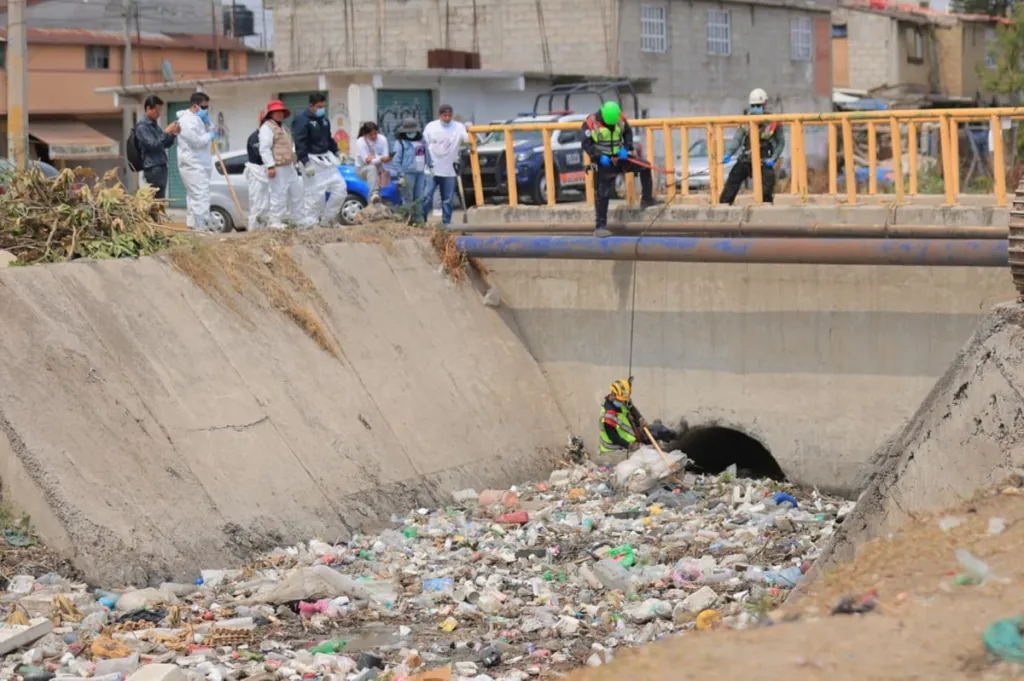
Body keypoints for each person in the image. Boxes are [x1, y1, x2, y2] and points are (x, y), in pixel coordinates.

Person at [581, 100, 658, 238]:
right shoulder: (590, 123)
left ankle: (647, 199)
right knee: (602, 193)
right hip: (602, 162)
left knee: (645, 166)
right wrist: (599, 157)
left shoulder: (620, 119)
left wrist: (626, 148)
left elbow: (627, 134)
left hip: (620, 157)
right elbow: (586, 144)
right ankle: (600, 227)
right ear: (603, 117)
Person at [719, 88, 785, 205]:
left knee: (768, 180)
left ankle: (766, 205)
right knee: (733, 178)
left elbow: (780, 142)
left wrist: (774, 158)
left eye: (758, 106)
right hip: (747, 158)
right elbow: (737, 139)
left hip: (764, 159)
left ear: (764, 105)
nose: (755, 109)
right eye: (753, 106)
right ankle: (724, 205)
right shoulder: (745, 121)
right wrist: (729, 153)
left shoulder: (773, 121)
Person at [292, 92, 345, 228]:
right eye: (319, 106)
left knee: (340, 189)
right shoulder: (302, 120)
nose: (322, 109)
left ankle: (328, 219)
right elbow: (300, 143)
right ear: (311, 105)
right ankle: (311, 223)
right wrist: (305, 162)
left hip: (326, 159)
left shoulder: (324, 120)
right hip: (311, 160)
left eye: (323, 106)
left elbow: (329, 139)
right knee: (315, 195)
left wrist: (338, 152)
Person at [254, 100, 303, 230]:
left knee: (297, 191)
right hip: (277, 166)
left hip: (289, 165)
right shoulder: (267, 128)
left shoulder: (284, 127)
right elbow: (264, 149)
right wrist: (270, 166)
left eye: (281, 111)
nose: (280, 114)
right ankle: (276, 221)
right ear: (271, 114)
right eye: (277, 112)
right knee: (278, 194)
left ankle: (297, 218)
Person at [175, 92, 216, 231]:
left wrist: (209, 125)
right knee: (200, 196)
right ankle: (201, 228)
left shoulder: (199, 119)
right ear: (195, 106)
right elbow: (196, 141)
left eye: (208, 107)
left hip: (201, 163)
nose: (206, 110)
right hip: (192, 163)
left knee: (194, 196)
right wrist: (209, 136)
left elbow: (204, 138)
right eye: (204, 107)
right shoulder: (186, 121)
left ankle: (193, 226)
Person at [422, 104, 468, 226]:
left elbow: (466, 139)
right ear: (440, 115)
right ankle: (422, 220)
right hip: (431, 169)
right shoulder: (431, 126)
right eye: (444, 115)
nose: (447, 118)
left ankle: (446, 222)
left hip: (450, 169)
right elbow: (424, 145)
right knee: (427, 196)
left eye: (449, 115)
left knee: (447, 199)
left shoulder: (458, 127)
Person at [133, 94, 179, 199]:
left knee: (160, 199)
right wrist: (166, 132)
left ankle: (157, 215)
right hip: (152, 167)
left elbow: (164, 144)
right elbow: (153, 145)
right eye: (157, 111)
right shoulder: (142, 127)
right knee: (155, 200)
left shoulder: (154, 125)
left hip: (161, 165)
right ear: (148, 108)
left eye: (160, 111)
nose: (159, 114)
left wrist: (172, 135)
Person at [391, 118, 430, 223]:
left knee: (419, 198)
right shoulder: (400, 143)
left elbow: (427, 155)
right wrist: (401, 175)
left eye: (413, 131)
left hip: (420, 173)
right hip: (407, 174)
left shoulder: (422, 141)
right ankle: (407, 220)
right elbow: (396, 161)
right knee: (407, 198)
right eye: (409, 132)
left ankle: (419, 221)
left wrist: (430, 166)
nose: (411, 133)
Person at [598, 378, 650, 455]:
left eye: (624, 400)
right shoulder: (608, 415)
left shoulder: (622, 397)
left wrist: (640, 419)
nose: (623, 402)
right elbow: (613, 437)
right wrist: (629, 445)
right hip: (613, 450)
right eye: (620, 400)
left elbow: (632, 408)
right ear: (613, 394)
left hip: (629, 440)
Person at [353, 121, 392, 203]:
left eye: (375, 133)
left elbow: (384, 156)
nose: (374, 136)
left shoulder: (383, 139)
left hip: (378, 169)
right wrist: (380, 158)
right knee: (371, 168)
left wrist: (379, 158)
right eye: (371, 134)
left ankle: (373, 203)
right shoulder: (360, 142)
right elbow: (367, 161)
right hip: (361, 169)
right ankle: (375, 193)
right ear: (365, 134)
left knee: (376, 188)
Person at [244, 113, 270, 229]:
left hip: (268, 173)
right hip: (257, 173)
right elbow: (261, 155)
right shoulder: (255, 137)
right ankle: (254, 230)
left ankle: (264, 228)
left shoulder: (270, 136)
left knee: (267, 205)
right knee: (257, 203)